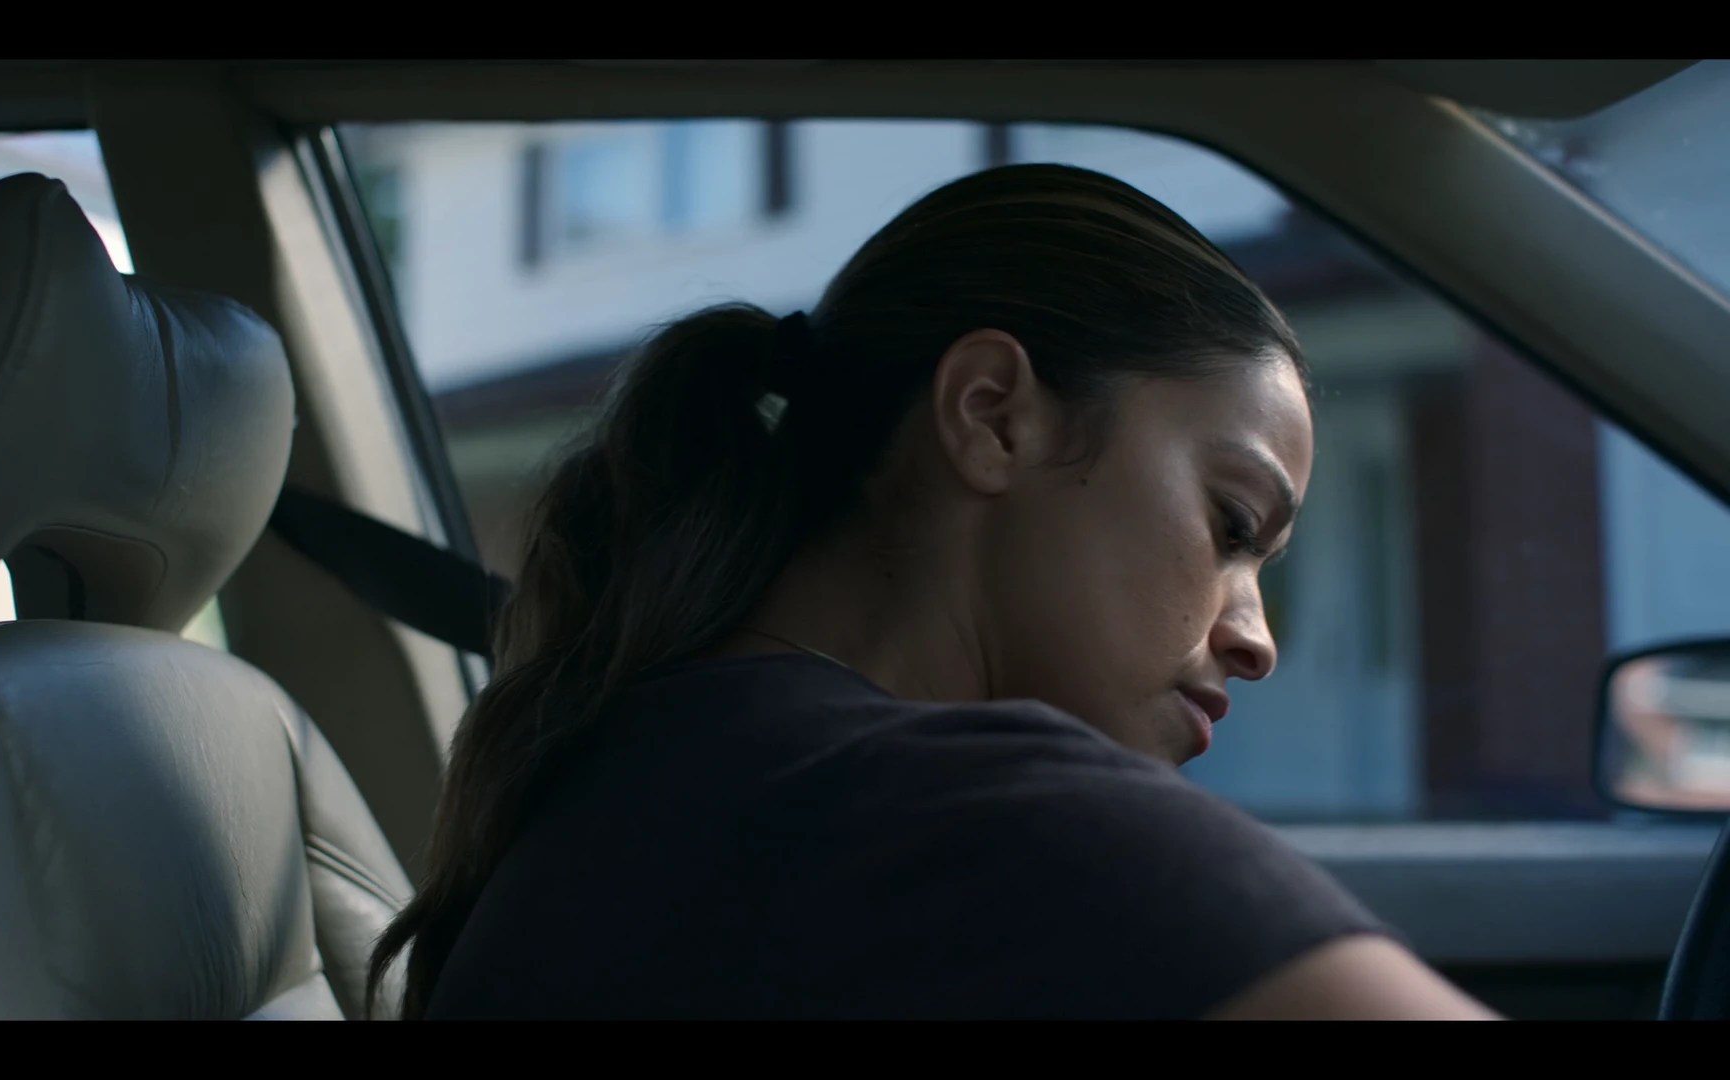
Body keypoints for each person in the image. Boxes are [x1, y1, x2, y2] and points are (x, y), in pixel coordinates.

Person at [368, 163, 1500, 1020]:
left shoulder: (630, 769)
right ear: (992, 415)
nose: (1257, 640)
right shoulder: (966, 823)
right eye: (1233, 525)